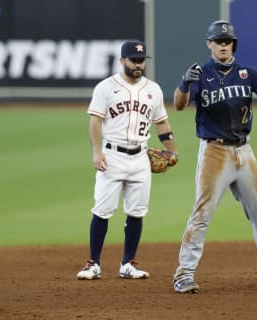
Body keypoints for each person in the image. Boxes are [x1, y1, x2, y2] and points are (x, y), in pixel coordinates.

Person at [172, 20, 257, 293]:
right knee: (202, 214)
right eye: (218, 41)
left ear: (233, 45)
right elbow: (179, 104)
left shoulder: (246, 73)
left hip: (244, 151)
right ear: (209, 44)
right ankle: (183, 273)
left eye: (227, 41)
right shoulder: (202, 74)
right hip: (214, 151)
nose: (223, 45)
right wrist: (185, 83)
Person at [77, 39, 178, 280]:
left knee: (137, 211)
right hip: (111, 155)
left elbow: (161, 122)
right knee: (102, 210)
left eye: (141, 60)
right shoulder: (106, 87)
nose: (138, 64)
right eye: (133, 60)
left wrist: (172, 150)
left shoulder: (153, 89)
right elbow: (95, 120)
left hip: (141, 157)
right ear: (122, 60)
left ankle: (128, 264)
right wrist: (97, 152)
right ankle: (93, 264)